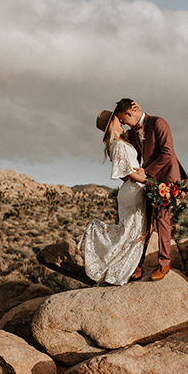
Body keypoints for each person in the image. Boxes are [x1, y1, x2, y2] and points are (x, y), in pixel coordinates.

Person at [114, 98, 186, 281]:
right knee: (144, 220)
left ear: (130, 113)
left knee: (162, 219)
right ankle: (137, 264)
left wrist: (147, 172)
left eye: (124, 119)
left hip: (165, 179)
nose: (124, 123)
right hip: (145, 182)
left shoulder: (159, 123)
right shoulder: (131, 134)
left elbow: (167, 153)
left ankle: (164, 263)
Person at [78, 110, 147, 285]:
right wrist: (151, 181)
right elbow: (128, 173)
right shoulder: (117, 144)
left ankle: (127, 267)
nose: (121, 122)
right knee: (130, 231)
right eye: (118, 120)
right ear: (111, 124)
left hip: (133, 189)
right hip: (133, 190)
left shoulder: (120, 142)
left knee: (132, 231)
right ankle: (119, 268)